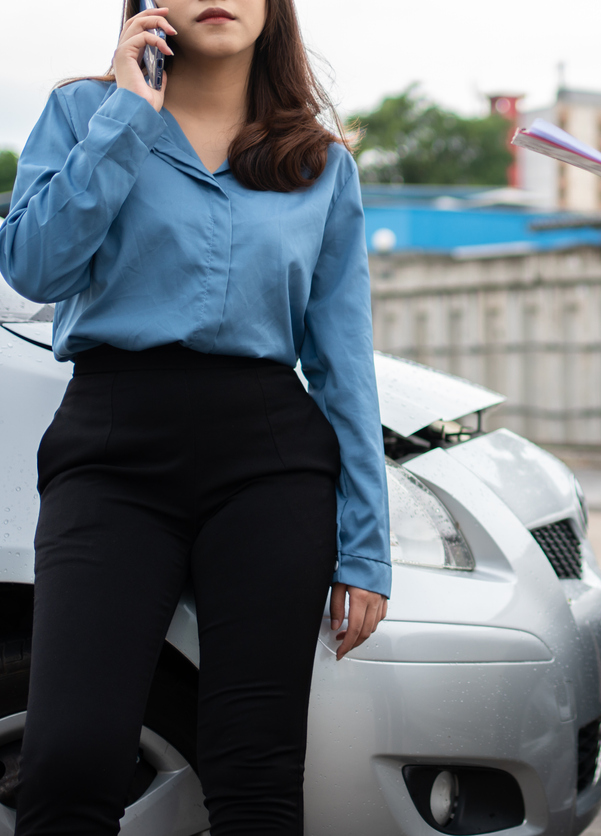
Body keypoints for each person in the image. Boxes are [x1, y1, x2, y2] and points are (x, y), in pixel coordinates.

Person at [0, 1, 390, 832]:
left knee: (257, 774)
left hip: (269, 463)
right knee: (68, 761)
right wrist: (127, 115)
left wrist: (366, 544)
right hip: (112, 449)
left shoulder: (317, 163)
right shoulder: (82, 113)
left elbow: (342, 362)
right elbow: (36, 267)